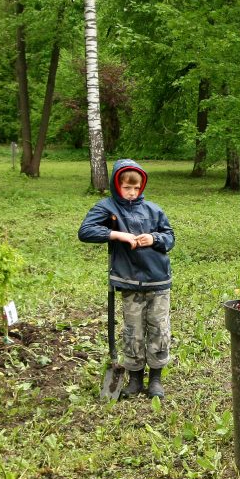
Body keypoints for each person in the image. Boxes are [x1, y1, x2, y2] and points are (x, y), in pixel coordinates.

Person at [78, 159, 175, 398]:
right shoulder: (108, 208)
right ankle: (134, 379)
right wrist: (117, 235)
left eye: (136, 188)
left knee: (159, 329)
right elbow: (85, 231)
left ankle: (155, 379)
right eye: (126, 187)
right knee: (133, 331)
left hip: (158, 281)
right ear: (116, 185)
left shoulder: (154, 209)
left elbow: (169, 237)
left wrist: (154, 238)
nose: (131, 193)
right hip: (129, 281)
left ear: (141, 187)